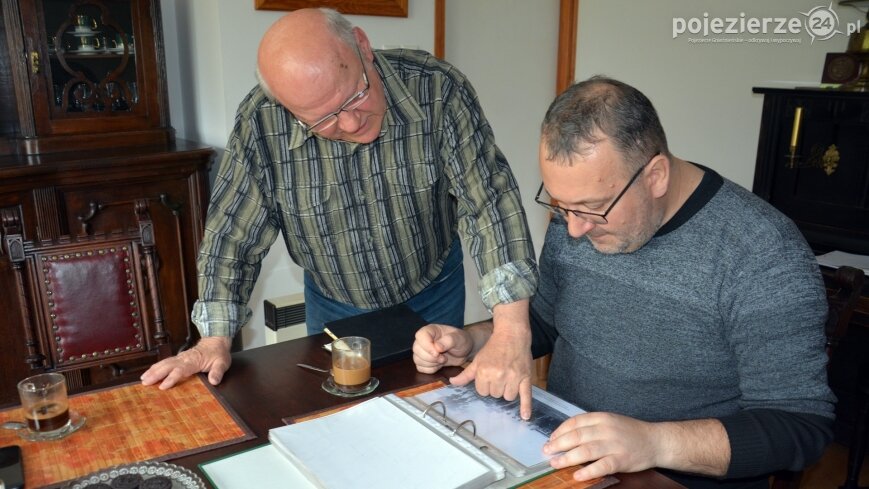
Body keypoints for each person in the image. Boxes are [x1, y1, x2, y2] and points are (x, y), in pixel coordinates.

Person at [413, 76, 835, 488]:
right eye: (562, 207)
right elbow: (545, 321)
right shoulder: (578, 216)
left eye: (591, 208)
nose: (573, 229)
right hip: (556, 452)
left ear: (656, 175)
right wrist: (476, 340)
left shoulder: (762, 253)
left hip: (672, 476)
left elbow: (799, 427)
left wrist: (653, 442)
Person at [141, 7, 538, 415]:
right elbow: (232, 237)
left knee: (435, 410)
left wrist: (510, 331)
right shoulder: (262, 122)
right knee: (345, 415)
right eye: (323, 121)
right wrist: (214, 339)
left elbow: (489, 201)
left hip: (432, 289)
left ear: (362, 47)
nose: (349, 124)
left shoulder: (436, 88)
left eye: (355, 97)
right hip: (334, 302)